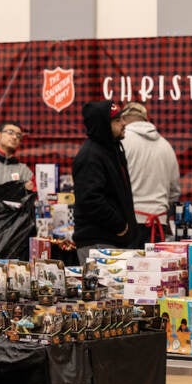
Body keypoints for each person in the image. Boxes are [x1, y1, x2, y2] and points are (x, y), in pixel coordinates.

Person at [72, 101, 138, 264]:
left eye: (122, 118)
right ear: (103, 125)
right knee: (103, 291)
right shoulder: (90, 156)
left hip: (112, 242)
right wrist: (120, 226)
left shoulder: (112, 150)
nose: (124, 124)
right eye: (117, 120)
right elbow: (90, 199)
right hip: (98, 244)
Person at [119, 102, 180, 243]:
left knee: (127, 265)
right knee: (156, 265)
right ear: (145, 119)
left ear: (124, 118)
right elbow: (175, 192)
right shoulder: (165, 146)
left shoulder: (122, 142)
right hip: (158, 222)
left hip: (130, 223)